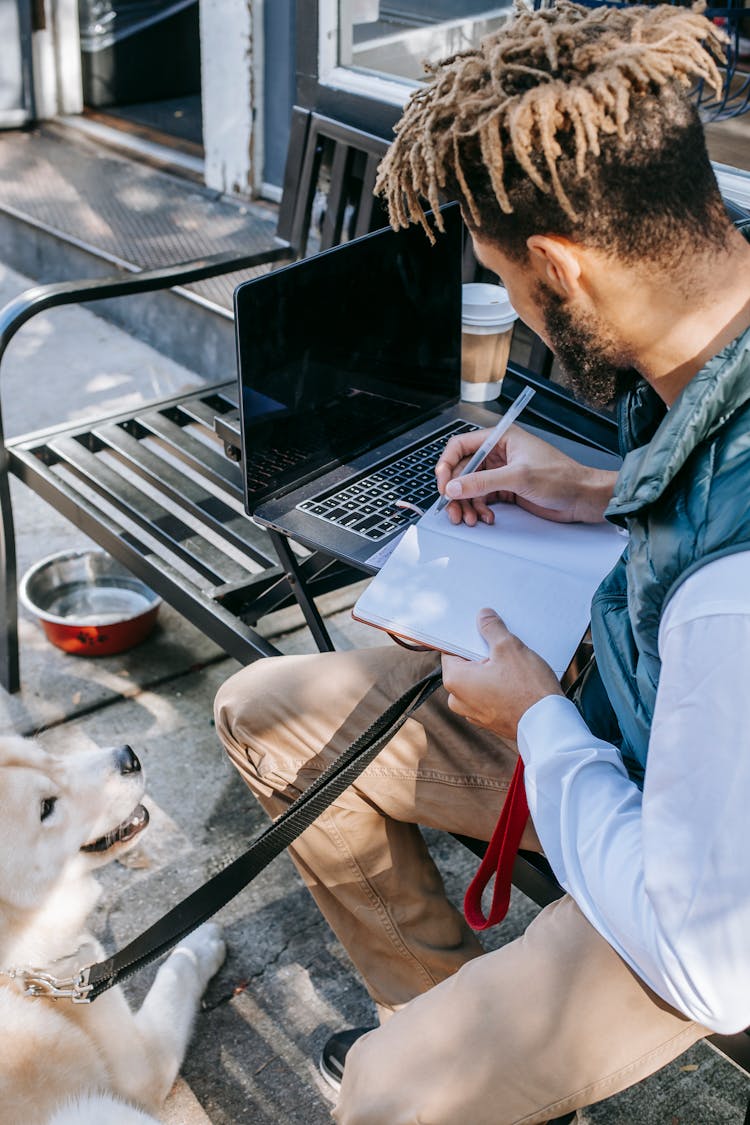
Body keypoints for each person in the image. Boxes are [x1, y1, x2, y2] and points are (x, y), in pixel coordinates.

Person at [214, 3, 750, 1121]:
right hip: (634, 728)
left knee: (384, 1099)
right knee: (267, 713)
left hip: (691, 879)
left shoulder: (732, 600)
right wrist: (599, 489)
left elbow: (711, 961)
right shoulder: (716, 315)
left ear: (559, 265)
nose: (518, 314)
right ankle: (452, 1026)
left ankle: (437, 1075)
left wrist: (532, 721)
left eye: (507, 280)